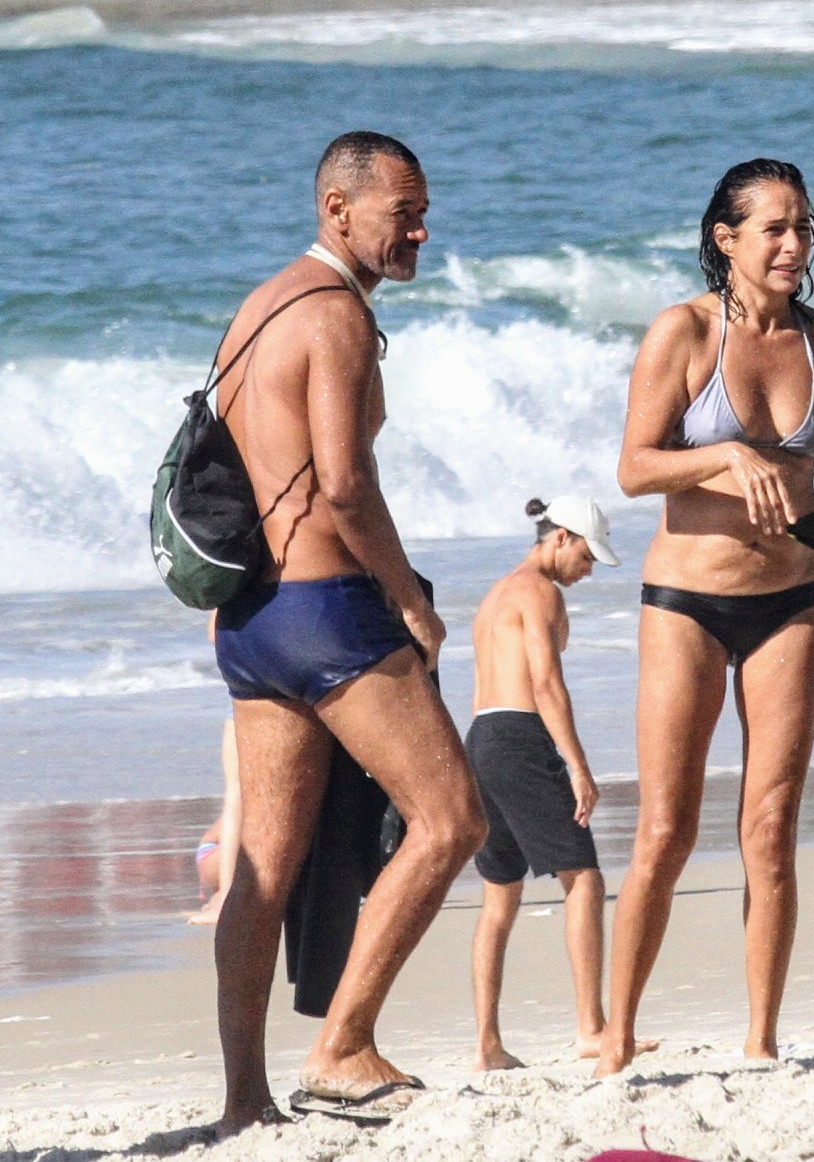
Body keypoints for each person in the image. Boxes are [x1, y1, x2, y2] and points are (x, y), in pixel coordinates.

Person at [209, 131, 486, 1132]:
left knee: (263, 868)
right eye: (400, 212)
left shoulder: (259, 306)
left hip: (250, 617)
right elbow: (344, 483)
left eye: (422, 209)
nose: (419, 228)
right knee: (453, 819)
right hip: (327, 609)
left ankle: (244, 1097)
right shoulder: (334, 317)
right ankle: (342, 1044)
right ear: (337, 210)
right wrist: (407, 594)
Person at [596, 157, 814, 1076]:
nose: (794, 245)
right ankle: (616, 1043)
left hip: (793, 603)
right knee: (666, 830)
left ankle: (760, 1042)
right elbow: (634, 468)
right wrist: (719, 461)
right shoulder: (682, 332)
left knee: (772, 826)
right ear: (727, 239)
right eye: (775, 230)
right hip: (687, 604)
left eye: (804, 229)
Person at [467, 495, 622, 1070]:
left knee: (499, 897)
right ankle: (591, 1028)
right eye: (585, 556)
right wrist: (577, 764)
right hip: (519, 738)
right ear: (560, 538)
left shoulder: (495, 595)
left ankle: (486, 1044)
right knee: (584, 877)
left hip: (480, 738)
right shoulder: (541, 592)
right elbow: (546, 685)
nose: (586, 571)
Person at [189, 718, 241, 926]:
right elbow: (237, 802)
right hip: (218, 853)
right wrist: (228, 894)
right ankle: (226, 894)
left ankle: (227, 891)